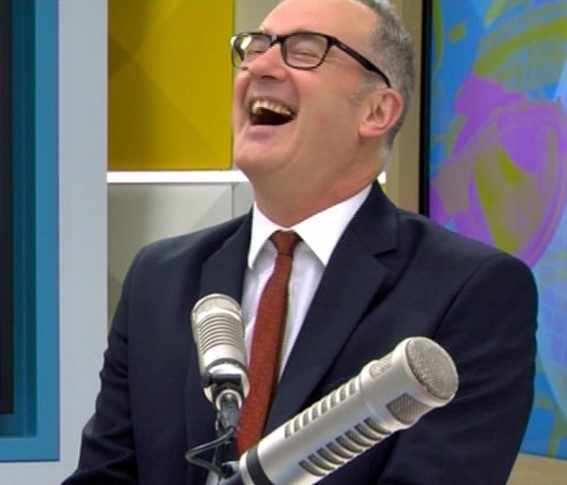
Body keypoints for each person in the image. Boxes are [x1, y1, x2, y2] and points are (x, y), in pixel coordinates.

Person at [64, 0, 537, 484]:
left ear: (377, 111)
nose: (261, 66)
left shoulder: (471, 291)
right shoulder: (160, 276)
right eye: (255, 48)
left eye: (305, 51)